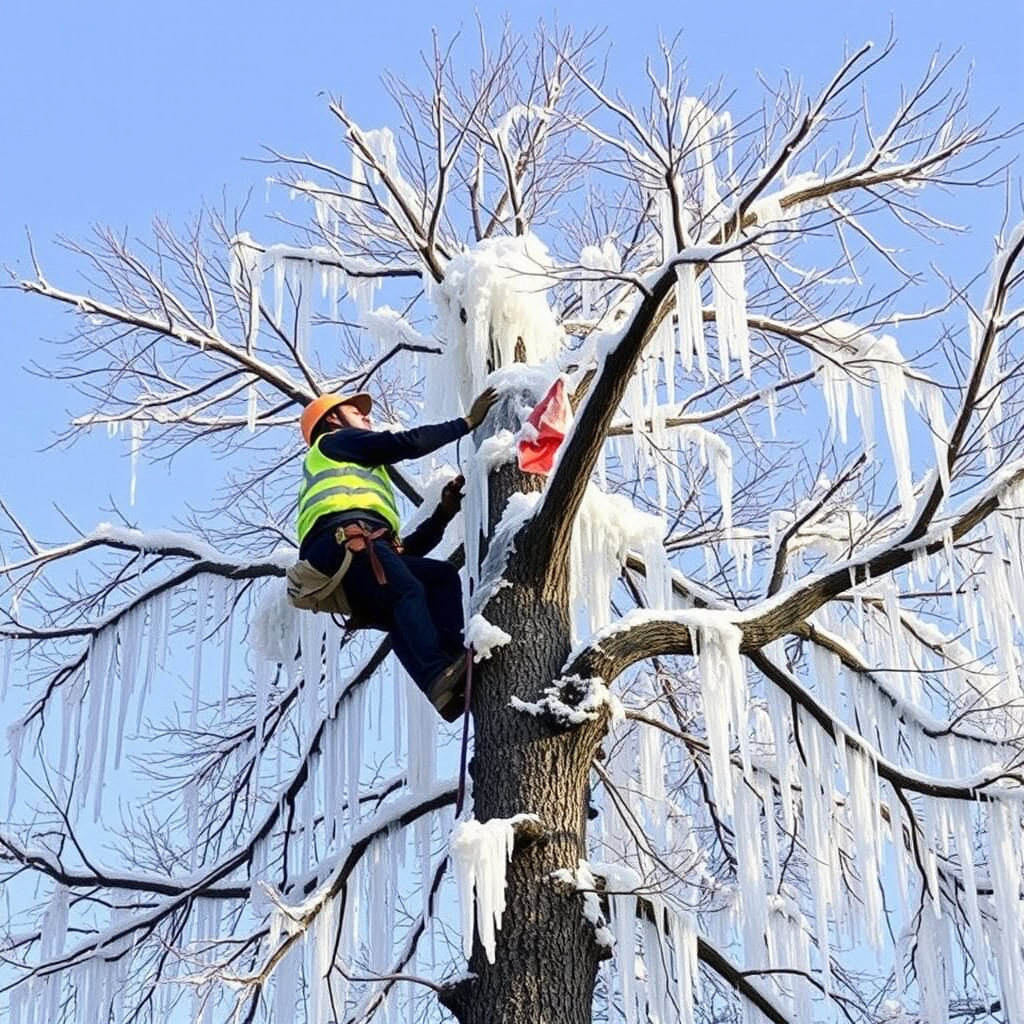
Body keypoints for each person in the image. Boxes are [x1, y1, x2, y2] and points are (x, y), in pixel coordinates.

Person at [296, 386, 498, 720]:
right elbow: (406, 444)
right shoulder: (332, 442)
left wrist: (442, 515)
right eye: (354, 411)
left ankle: (447, 674)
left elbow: (404, 554)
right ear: (332, 418)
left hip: (356, 551)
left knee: (439, 576)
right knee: (408, 589)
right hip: (342, 544)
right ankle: (437, 671)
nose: (365, 415)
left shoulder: (353, 471)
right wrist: (467, 422)